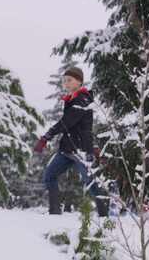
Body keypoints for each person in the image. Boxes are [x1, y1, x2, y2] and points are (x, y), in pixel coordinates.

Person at [34, 67, 109, 216]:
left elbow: (66, 123)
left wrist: (46, 137)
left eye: (69, 80)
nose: (66, 83)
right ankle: (54, 212)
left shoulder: (83, 100)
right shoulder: (72, 100)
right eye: (64, 81)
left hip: (80, 151)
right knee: (49, 175)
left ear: (79, 81)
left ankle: (105, 216)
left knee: (91, 183)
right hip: (67, 149)